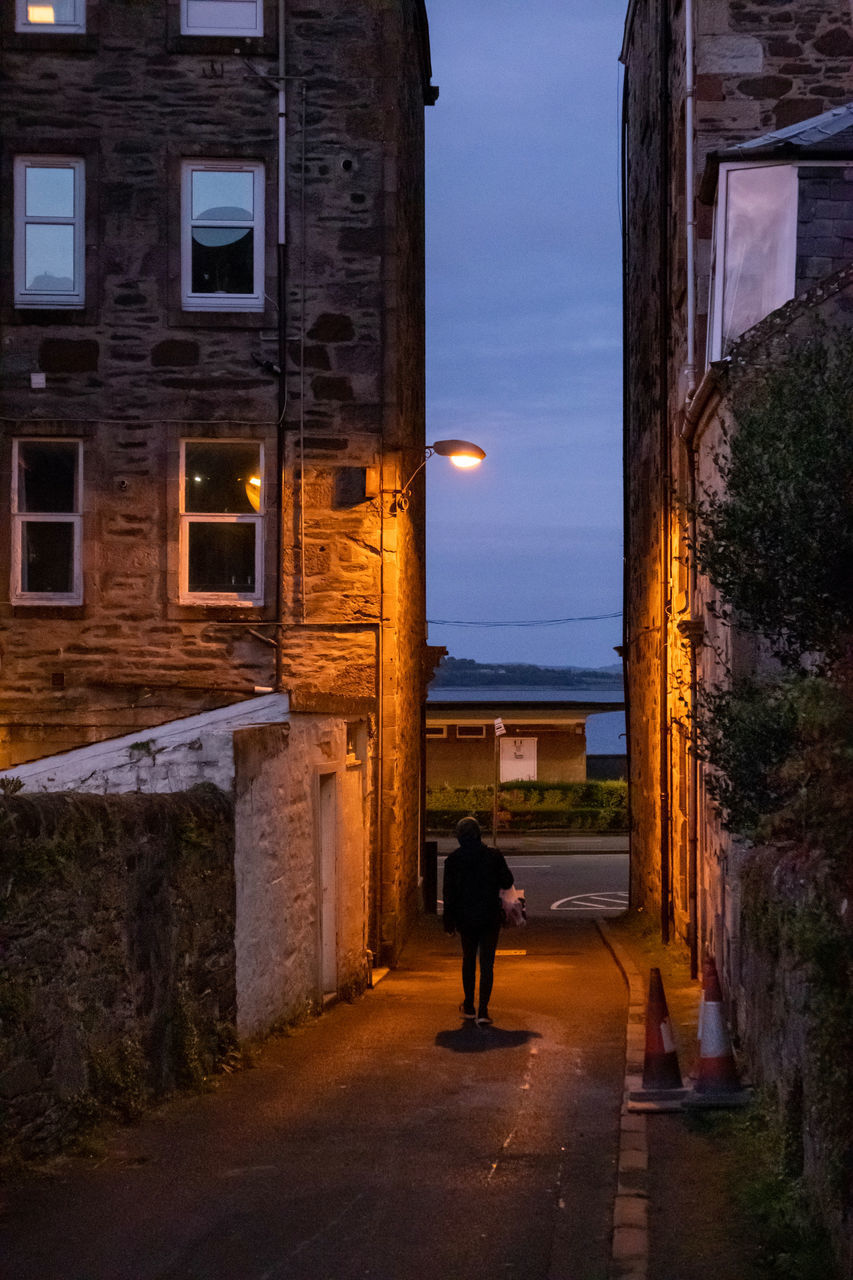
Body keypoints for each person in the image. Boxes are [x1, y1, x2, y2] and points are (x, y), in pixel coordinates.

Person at [442, 815, 514, 1026]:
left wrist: (449, 922)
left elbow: (449, 895)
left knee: (468, 960)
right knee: (487, 964)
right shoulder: (493, 856)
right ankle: (483, 1010)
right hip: (489, 916)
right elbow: (508, 881)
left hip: (465, 918)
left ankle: (469, 1005)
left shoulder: (453, 861)